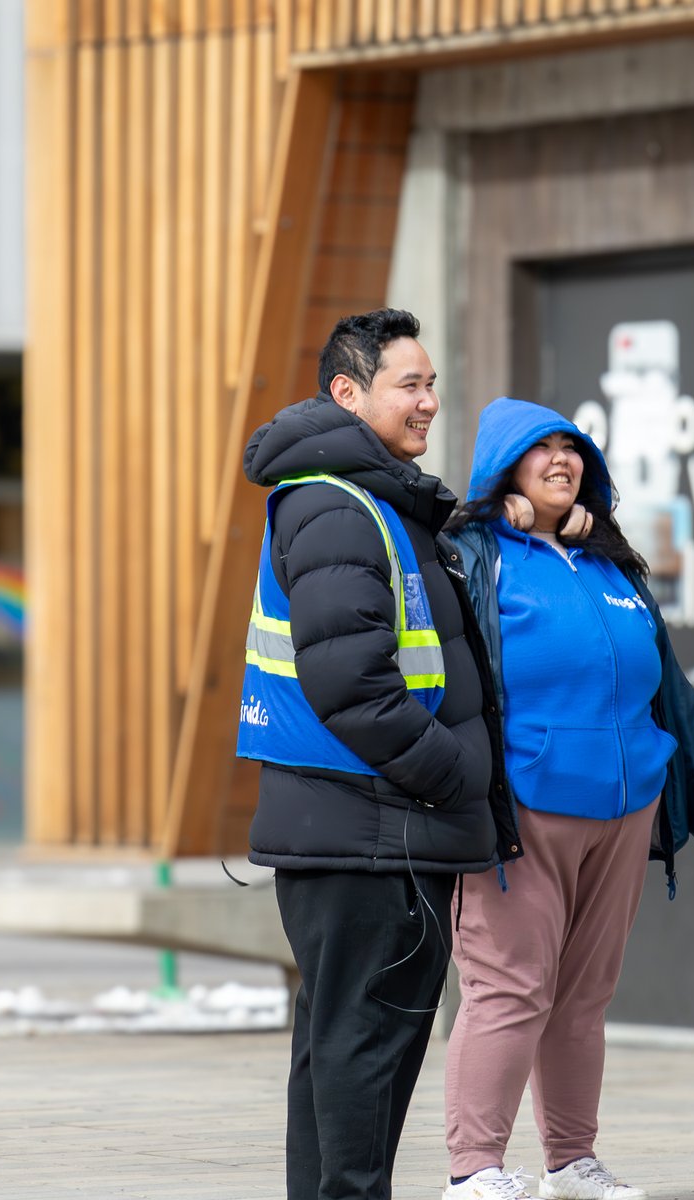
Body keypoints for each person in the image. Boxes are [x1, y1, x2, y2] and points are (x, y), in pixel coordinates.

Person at [441, 396, 694, 1200]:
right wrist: (484, 520)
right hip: (521, 811)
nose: (560, 459)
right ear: (502, 467)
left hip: (624, 809)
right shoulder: (471, 555)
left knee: (584, 997)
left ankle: (571, 1162)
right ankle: (474, 1169)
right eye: (538, 448)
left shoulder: (612, 563)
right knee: (510, 988)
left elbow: (674, 698)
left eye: (571, 447)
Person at [236, 311, 521, 1200]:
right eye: (410, 384)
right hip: (374, 826)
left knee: (340, 1052)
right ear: (347, 393)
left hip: (367, 825)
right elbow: (351, 684)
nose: (430, 401)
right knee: (366, 1054)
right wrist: (453, 777)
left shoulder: (369, 499)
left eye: (433, 383)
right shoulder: (334, 503)